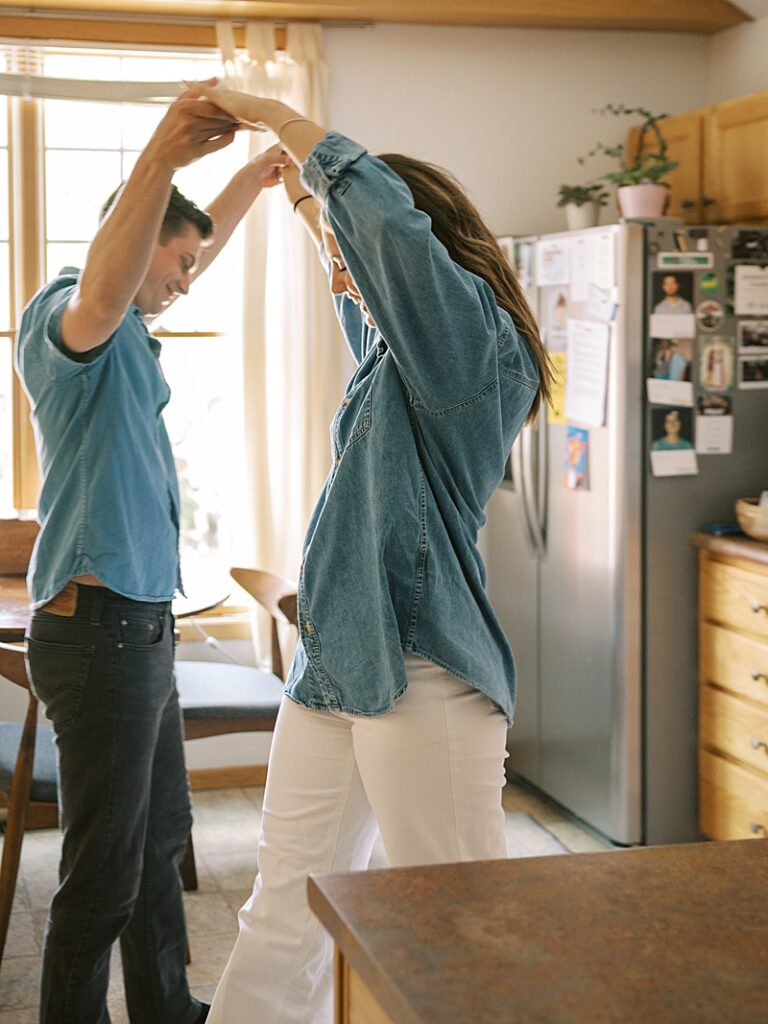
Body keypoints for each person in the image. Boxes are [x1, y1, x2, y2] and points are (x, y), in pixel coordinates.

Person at [186, 84, 552, 1024]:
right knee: (288, 905)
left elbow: (383, 236)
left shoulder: (470, 353)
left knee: (455, 929)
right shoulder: (396, 351)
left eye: (355, 258)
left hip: (425, 670)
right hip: (336, 665)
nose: (342, 276)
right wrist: (300, 199)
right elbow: (358, 262)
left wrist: (282, 117)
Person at [15, 90, 289, 1024]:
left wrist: (250, 179)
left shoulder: (130, 324)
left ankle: (166, 1005)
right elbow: (110, 280)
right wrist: (163, 154)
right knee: (101, 875)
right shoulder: (71, 320)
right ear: (130, 247)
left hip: (137, 629)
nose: (184, 278)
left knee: (161, 837)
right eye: (173, 259)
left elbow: (169, 266)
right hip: (98, 637)